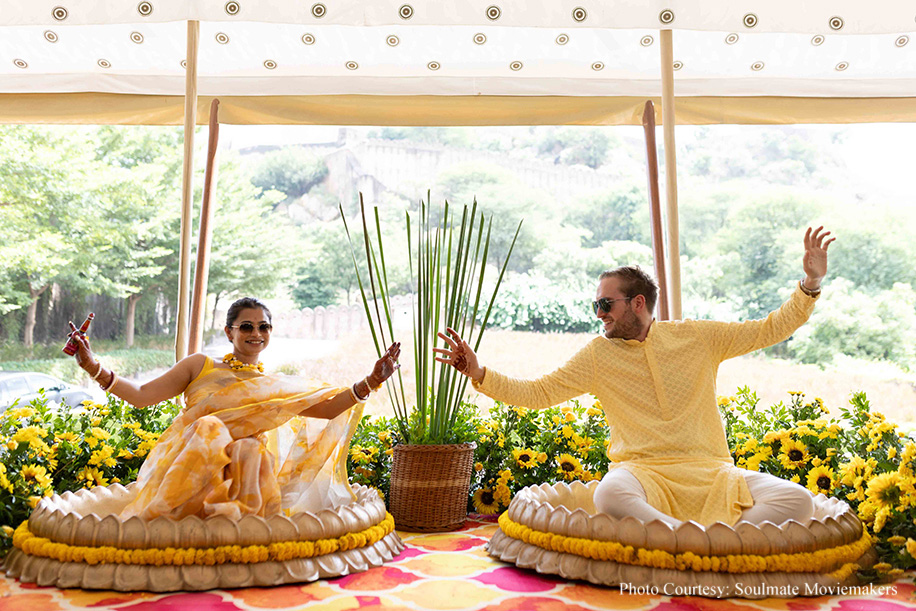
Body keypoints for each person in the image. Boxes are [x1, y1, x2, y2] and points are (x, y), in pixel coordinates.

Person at [435, 227, 835, 527]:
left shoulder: (697, 337)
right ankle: (705, 538)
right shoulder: (597, 354)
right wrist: (479, 372)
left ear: (637, 302)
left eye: (606, 303)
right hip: (643, 475)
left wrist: (810, 284)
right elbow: (539, 392)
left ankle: (694, 540)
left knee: (796, 500)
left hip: (712, 472)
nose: (599, 314)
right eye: (597, 305)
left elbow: (769, 328)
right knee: (610, 493)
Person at [70, 297, 400, 521]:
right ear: (229, 331)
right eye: (246, 326)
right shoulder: (200, 365)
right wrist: (93, 366)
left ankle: (241, 526)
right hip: (192, 460)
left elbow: (327, 409)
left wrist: (372, 380)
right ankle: (164, 520)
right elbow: (142, 395)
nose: (256, 333)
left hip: (246, 471)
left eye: (263, 327)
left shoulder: (272, 386)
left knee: (249, 448)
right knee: (209, 427)